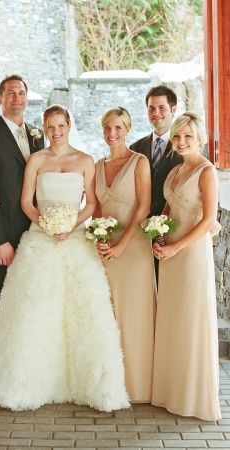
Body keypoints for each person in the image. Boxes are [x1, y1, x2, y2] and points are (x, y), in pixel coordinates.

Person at [0, 104, 129, 412]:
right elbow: (25, 202)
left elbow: (90, 204)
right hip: (41, 239)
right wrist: (46, 224)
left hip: (74, 239)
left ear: (69, 125)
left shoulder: (85, 160)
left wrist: (70, 225)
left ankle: (87, 384)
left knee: (82, 310)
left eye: (60, 125)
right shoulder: (36, 160)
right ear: (45, 129)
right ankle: (30, 382)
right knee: (35, 309)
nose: (55, 131)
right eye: (50, 127)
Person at [0, 74, 44, 373]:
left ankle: (24, 367)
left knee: (27, 302)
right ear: (0, 99)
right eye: (10, 93)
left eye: (21, 92)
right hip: (2, 238)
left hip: (34, 235)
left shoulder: (37, 135)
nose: (17, 97)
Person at [152, 112, 221, 421]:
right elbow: (168, 210)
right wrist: (157, 236)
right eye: (177, 136)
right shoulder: (176, 171)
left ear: (200, 139)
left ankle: (193, 397)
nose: (181, 141)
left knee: (191, 318)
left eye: (188, 137)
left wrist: (177, 247)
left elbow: (208, 220)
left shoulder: (206, 172)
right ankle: (170, 391)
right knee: (173, 317)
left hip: (191, 254)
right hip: (169, 253)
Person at [95, 107, 156, 403]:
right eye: (107, 127)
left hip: (133, 249)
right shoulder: (97, 165)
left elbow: (143, 207)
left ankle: (138, 386)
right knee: (108, 316)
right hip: (106, 250)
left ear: (127, 129)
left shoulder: (139, 162)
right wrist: (100, 238)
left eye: (118, 128)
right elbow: (95, 208)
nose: (112, 133)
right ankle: (111, 385)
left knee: (134, 315)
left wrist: (122, 245)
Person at [130, 85, 183, 216]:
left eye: (161, 108)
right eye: (151, 108)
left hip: (174, 221)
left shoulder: (184, 147)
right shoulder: (135, 148)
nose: (156, 113)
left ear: (173, 109)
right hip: (140, 222)